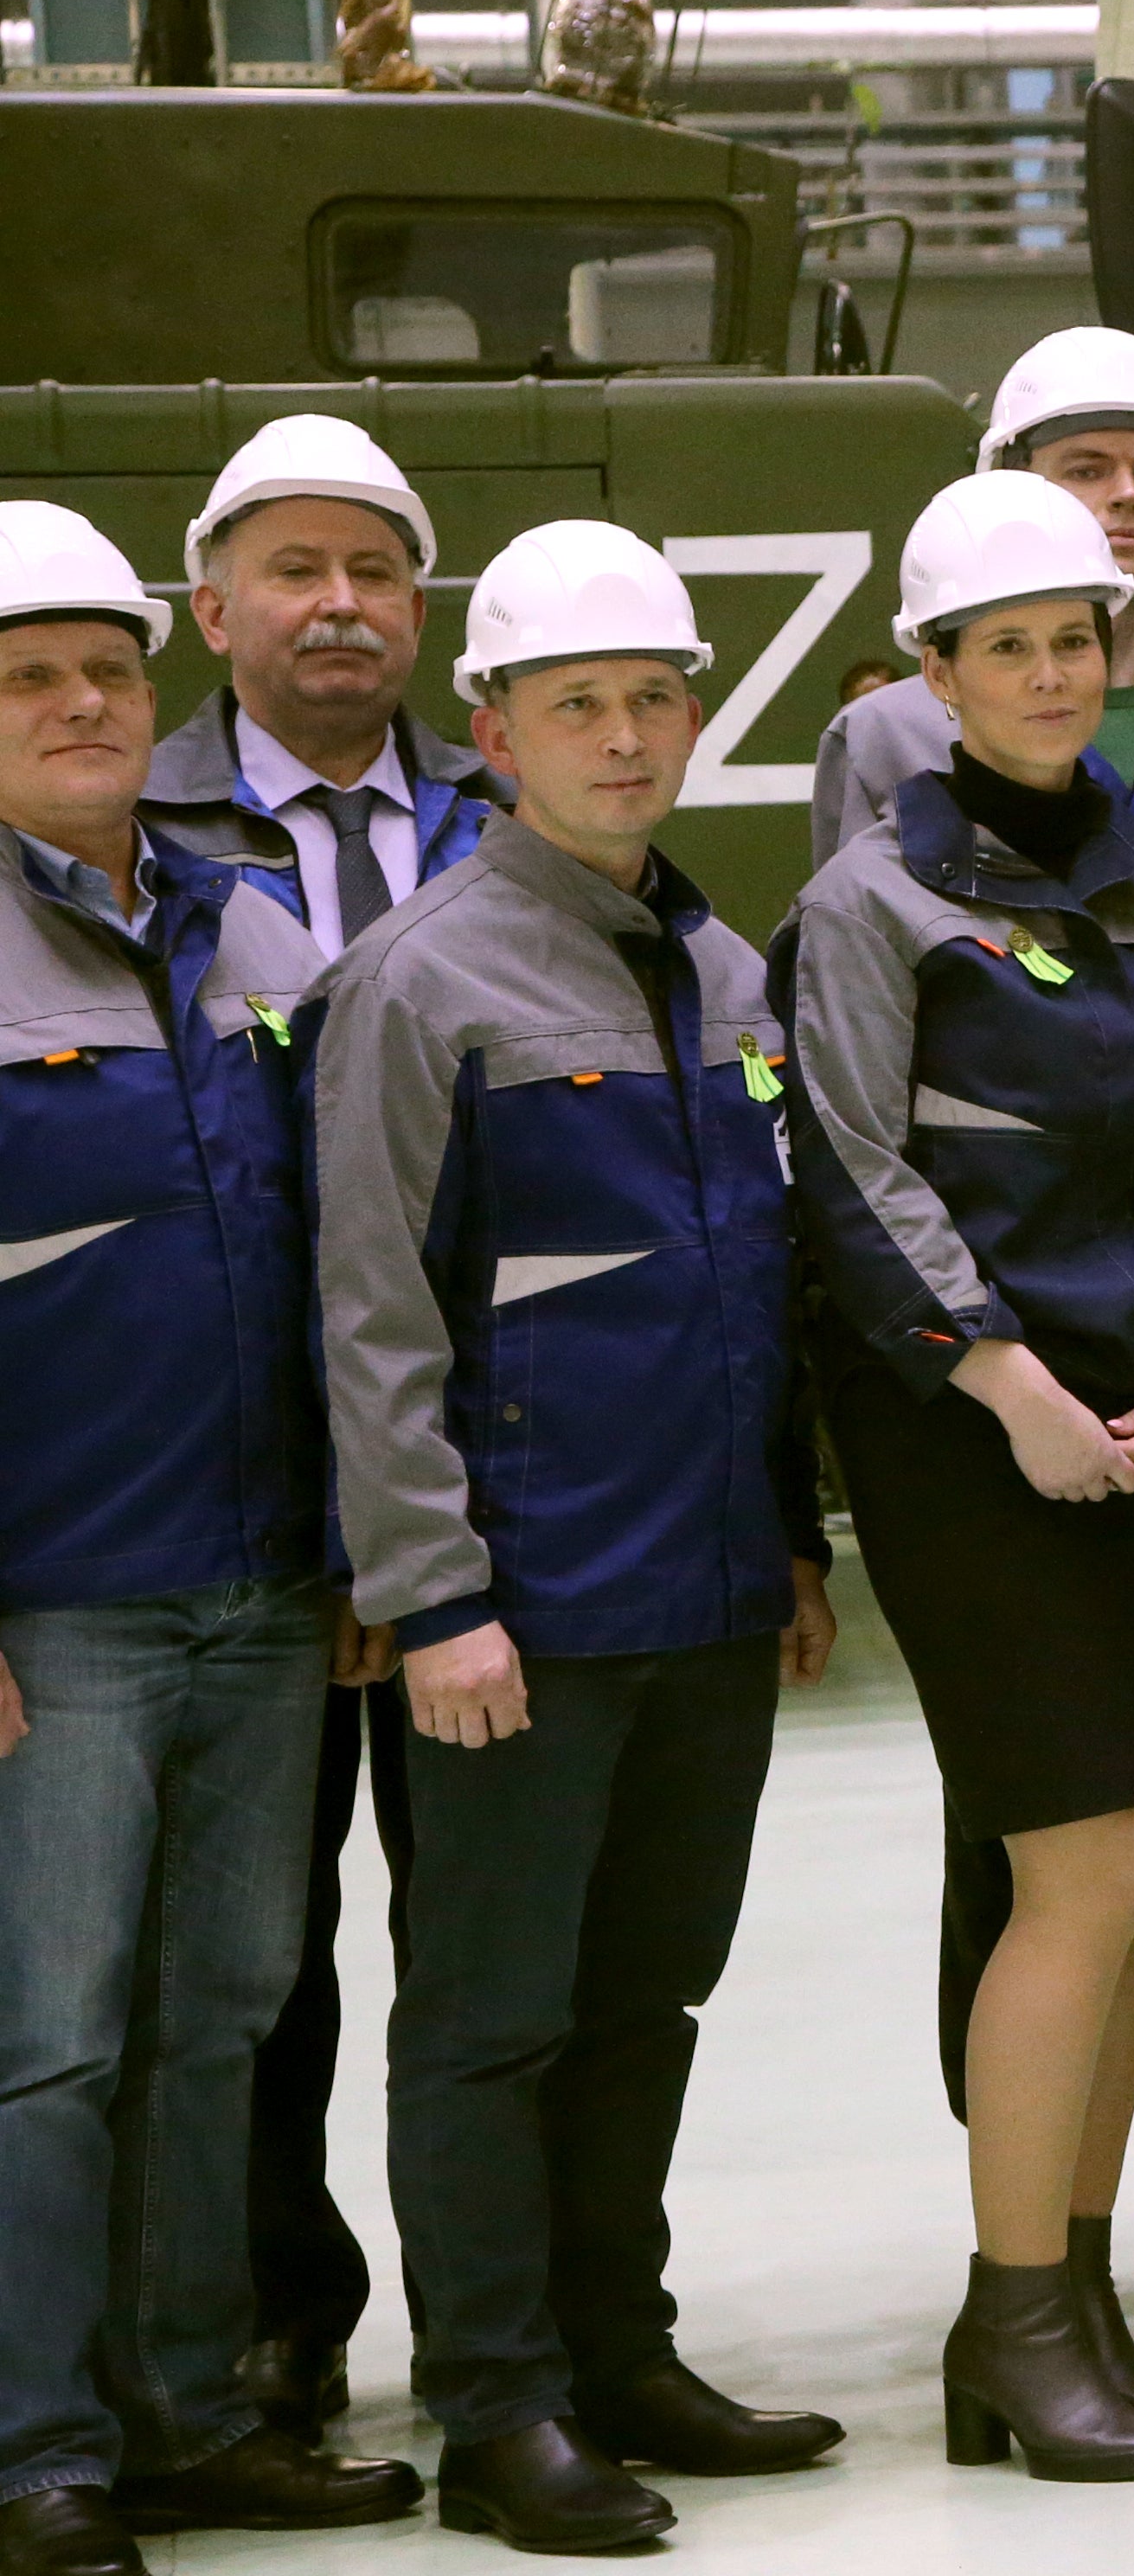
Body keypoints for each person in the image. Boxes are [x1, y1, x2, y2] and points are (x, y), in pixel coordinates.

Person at [311, 522, 843, 2551]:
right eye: (579, 705)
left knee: (648, 1996)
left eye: (654, 698)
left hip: (706, 1589)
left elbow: (750, 1282)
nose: (625, 736)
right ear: (495, 728)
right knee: (490, 2008)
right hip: (523, 1609)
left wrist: (789, 1536)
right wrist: (430, 1589)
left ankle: (621, 2348)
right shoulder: (421, 978)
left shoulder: (718, 965)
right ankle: (499, 2404)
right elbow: (372, 1307)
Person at [810, 326, 1134, 2336]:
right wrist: (1007, 1383)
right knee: (1071, 1864)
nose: (1044, 665)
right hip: (987, 1437)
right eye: (999, 640)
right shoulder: (869, 885)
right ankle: (1018, 2296)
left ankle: (1095, 2266)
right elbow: (841, 1159)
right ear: (932, 672)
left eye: (1071, 633)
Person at [0, 503, 419, 2576]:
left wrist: (355, 1542)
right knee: (54, 2035)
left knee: (220, 2009)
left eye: (102, 665)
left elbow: (337, 1254)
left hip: (264, 1585)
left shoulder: (245, 919)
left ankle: (184, 2406)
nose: (80, 703)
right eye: (27, 676)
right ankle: (34, 2444)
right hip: (58, 1598)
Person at [142, 414, 500, 2437]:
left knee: (483, 1943)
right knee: (252, 1959)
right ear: (215, 608)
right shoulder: (127, 816)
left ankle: (507, 2318)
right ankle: (279, 2309)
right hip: (247, 1493)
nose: (338, 601)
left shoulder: (502, 812)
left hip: (483, 1483)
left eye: (373, 565)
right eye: (292, 566)